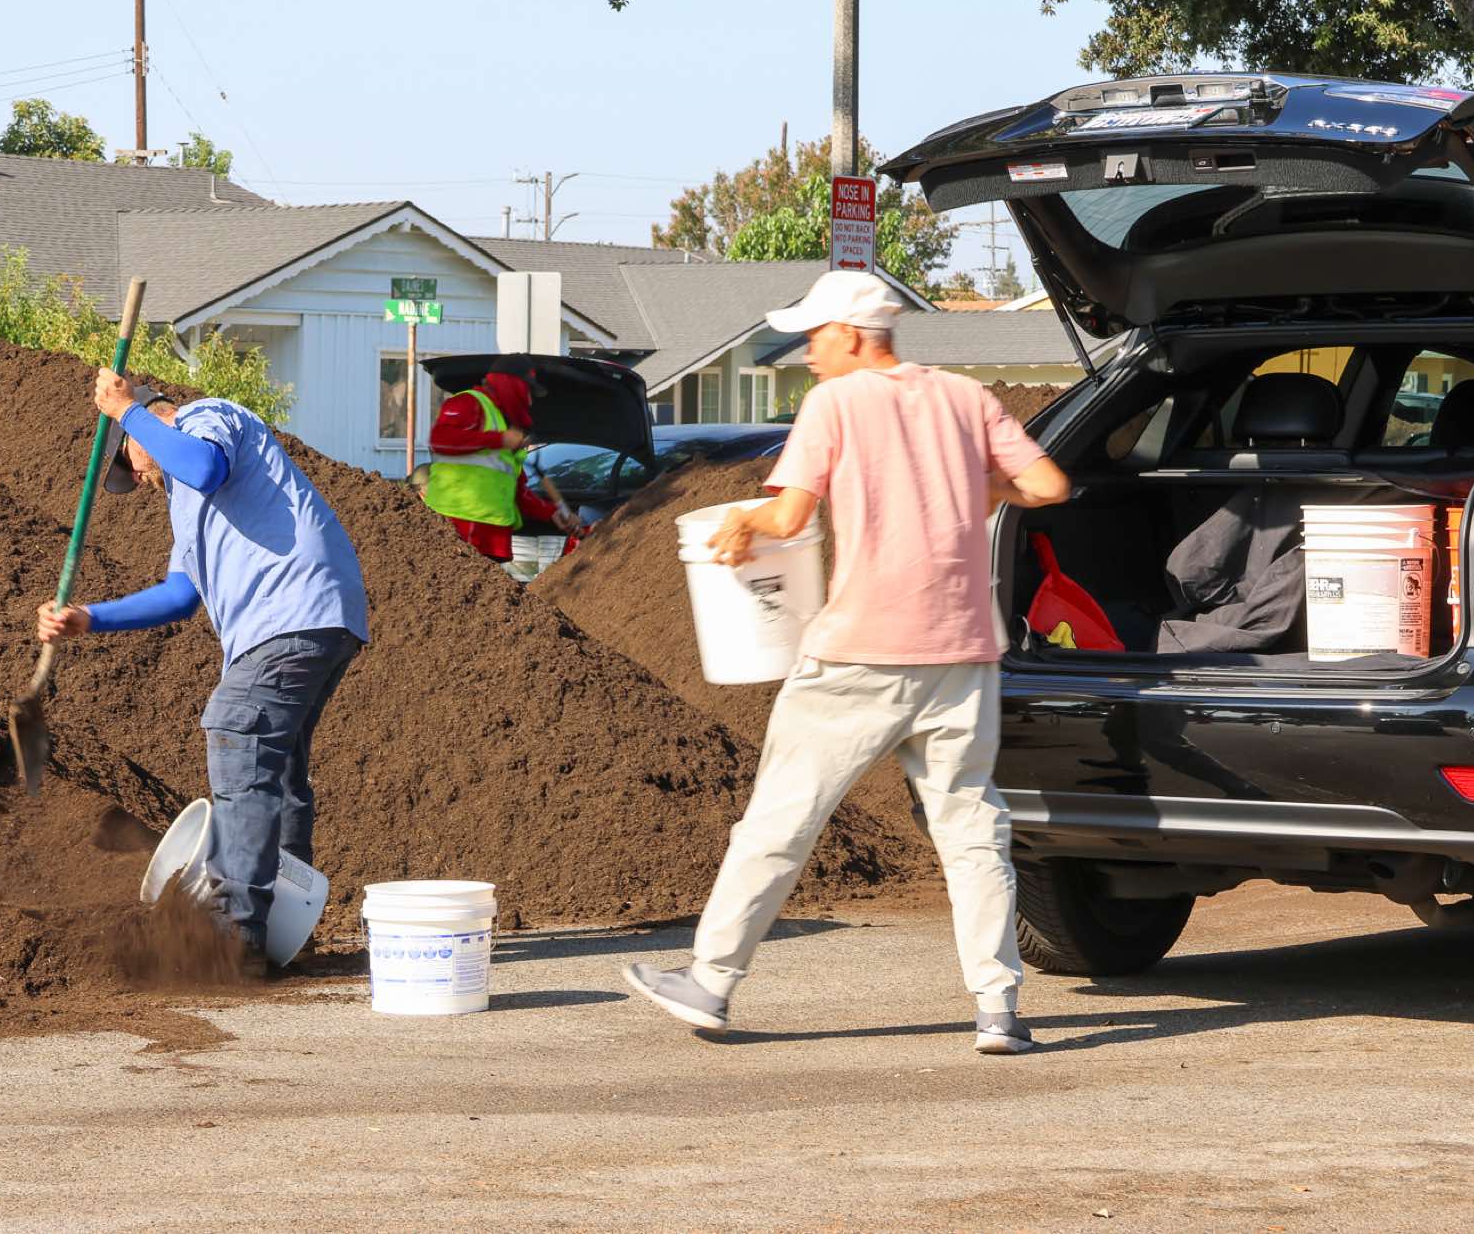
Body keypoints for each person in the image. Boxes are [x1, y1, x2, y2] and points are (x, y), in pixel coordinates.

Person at [622, 270, 1071, 1055]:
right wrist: (980, 488)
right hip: (963, 651)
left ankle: (711, 981)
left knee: (781, 817)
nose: (807, 352)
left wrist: (746, 522)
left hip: (861, 648)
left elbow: (791, 514)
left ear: (853, 335)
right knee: (972, 830)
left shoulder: (834, 404)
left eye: (814, 336)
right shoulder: (965, 398)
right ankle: (998, 1010)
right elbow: (1048, 482)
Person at [36, 371, 369, 968]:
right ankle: (285, 923)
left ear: (147, 425)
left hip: (290, 611)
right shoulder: (188, 506)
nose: (139, 478)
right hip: (313, 617)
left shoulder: (206, 418)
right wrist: (89, 617)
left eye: (130, 463)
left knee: (237, 726)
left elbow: (204, 466)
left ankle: (233, 933)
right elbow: (179, 595)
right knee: (276, 768)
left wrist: (125, 410)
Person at [421, 369, 577, 563]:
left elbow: (517, 493)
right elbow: (440, 439)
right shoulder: (469, 402)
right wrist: (499, 439)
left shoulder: (510, 434)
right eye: (527, 392)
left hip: (492, 540)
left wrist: (552, 513)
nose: (529, 401)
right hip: (456, 530)